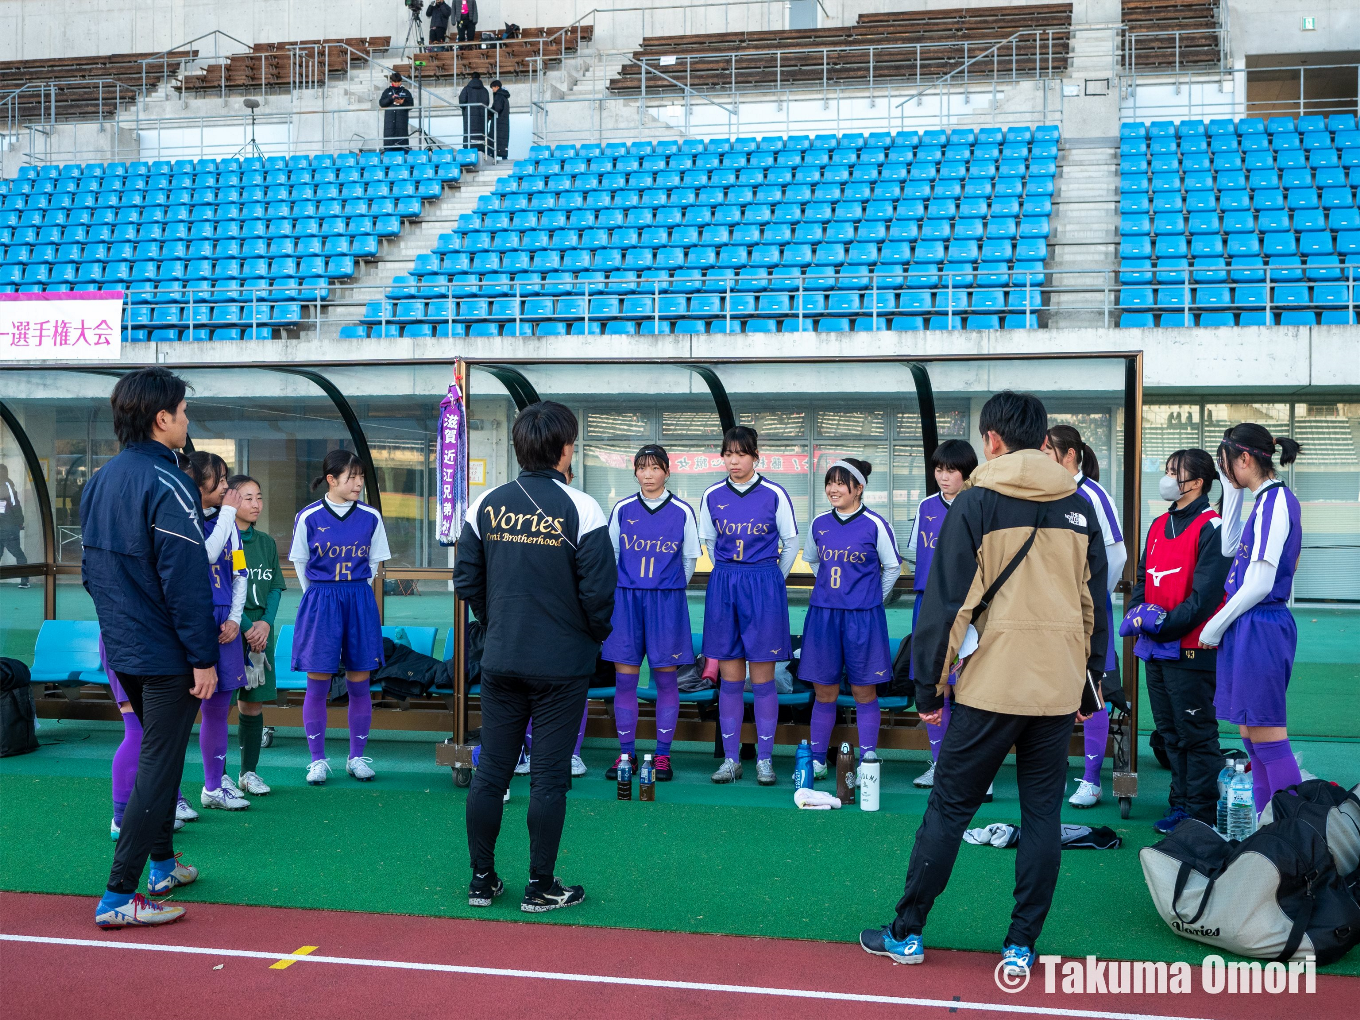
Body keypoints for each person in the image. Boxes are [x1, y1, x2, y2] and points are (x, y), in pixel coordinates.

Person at [861, 390, 1106, 975]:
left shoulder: (974, 503)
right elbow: (1091, 604)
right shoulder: (1079, 504)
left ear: (992, 440)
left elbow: (946, 606)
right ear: (1044, 439)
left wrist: (927, 689)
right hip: (1056, 687)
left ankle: (908, 932)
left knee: (948, 808)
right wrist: (1089, 684)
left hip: (991, 686)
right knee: (1042, 814)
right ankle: (1021, 944)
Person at [454, 401, 615, 912]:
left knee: (491, 771)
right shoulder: (584, 507)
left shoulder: (484, 505)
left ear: (519, 448)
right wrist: (587, 637)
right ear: (566, 448)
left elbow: (466, 582)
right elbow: (600, 596)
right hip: (562, 665)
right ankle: (541, 886)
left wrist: (497, 623)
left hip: (501, 657)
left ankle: (482, 880)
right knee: (548, 775)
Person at [82, 367, 219, 929]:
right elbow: (184, 577)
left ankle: (162, 864)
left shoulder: (100, 479)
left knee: (159, 756)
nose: (187, 420)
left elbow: (90, 571)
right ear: (163, 418)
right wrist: (202, 657)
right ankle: (119, 895)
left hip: (126, 646)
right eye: (183, 411)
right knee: (158, 765)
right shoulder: (168, 480)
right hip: (167, 654)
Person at [1122, 449, 1231, 833]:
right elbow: (1141, 580)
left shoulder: (1211, 526)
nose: (1166, 478)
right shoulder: (1157, 524)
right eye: (1167, 470)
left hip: (1190, 649)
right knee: (1170, 734)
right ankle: (1180, 805)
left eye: (1173, 472)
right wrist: (1139, 615)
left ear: (1197, 482)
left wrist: (1161, 624)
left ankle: (1200, 813)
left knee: (1195, 734)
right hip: (1155, 649)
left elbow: (1203, 599)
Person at [1199, 423, 1303, 814]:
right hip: (1250, 624)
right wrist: (1230, 488)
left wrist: (1215, 624)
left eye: (1226, 464)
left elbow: (1260, 582)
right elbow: (1228, 544)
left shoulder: (1276, 501)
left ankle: (1293, 837)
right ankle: (1266, 830)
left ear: (1245, 458)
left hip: (1261, 625)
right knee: (1251, 736)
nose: (1223, 471)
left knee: (1268, 735)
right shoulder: (1262, 499)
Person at [700, 425, 798, 787]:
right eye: (728, 453)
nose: (733, 460)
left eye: (741, 453)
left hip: (763, 584)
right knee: (729, 680)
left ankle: (765, 760)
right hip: (725, 583)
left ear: (756, 456)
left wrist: (770, 579)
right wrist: (732, 576)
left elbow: (789, 543)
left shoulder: (774, 493)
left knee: (763, 681)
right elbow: (709, 543)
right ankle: (730, 760)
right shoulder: (711, 494)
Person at [289, 449, 391, 786]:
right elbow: (301, 564)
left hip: (359, 597)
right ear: (331, 479)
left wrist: (351, 591)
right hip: (321, 599)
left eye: (361, 476)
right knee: (317, 684)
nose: (358, 483)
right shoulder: (309, 516)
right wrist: (321, 595)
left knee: (360, 681)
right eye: (352, 477)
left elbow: (375, 566)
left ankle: (357, 757)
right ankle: (317, 760)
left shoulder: (371, 517)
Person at [602, 444, 699, 783]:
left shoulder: (683, 511)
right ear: (635, 472)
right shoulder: (623, 508)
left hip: (666, 602)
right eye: (642, 467)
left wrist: (667, 588)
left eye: (655, 467)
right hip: (626, 602)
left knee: (665, 679)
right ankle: (625, 752)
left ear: (667, 472)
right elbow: (611, 555)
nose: (648, 474)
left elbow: (689, 561)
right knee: (625, 680)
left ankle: (662, 755)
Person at [1042, 424, 1126, 810]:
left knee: (1092, 692)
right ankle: (1050, 773)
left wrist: (1090, 601)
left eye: (1047, 450)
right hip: (1049, 613)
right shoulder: (1044, 491)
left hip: (1086, 614)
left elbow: (1118, 555)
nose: (1041, 457)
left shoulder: (1093, 493)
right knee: (1050, 690)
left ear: (1070, 454)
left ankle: (1092, 780)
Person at [801, 458, 901, 773]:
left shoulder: (875, 524)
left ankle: (868, 758)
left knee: (863, 689)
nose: (833, 489)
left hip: (863, 617)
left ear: (858, 489)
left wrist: (872, 597)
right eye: (830, 483)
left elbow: (893, 567)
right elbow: (813, 560)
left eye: (841, 483)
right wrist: (833, 591)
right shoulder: (819, 522)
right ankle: (817, 761)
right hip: (824, 616)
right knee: (824, 689)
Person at [904, 439, 978, 789]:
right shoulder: (926, 506)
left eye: (951, 470)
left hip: (968, 610)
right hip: (929, 607)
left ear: (968, 472)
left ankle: (969, 767)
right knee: (937, 685)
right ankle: (938, 763)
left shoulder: (979, 505)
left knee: (969, 686)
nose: (943, 477)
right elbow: (916, 555)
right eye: (939, 469)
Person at [187, 452, 251, 811]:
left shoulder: (230, 525)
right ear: (198, 482)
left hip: (224, 623)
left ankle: (214, 786)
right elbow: (207, 556)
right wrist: (228, 513)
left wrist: (235, 618)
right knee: (178, 714)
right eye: (220, 479)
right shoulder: (183, 519)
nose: (227, 487)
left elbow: (239, 571)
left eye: (226, 479)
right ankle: (172, 794)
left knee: (218, 709)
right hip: (191, 621)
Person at [101, 638, 195, 841]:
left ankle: (162, 806)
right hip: (127, 641)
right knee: (137, 731)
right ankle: (121, 819)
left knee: (157, 733)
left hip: (147, 642)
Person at [228, 474, 286, 796]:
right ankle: (217, 776)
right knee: (221, 704)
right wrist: (250, 626)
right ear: (232, 500)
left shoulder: (266, 542)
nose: (255, 504)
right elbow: (229, 589)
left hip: (261, 635)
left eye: (259, 498)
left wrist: (265, 624)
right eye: (248, 498)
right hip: (232, 630)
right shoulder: (226, 540)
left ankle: (248, 773)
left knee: (253, 705)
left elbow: (276, 586)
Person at [0, 463, 28, 588]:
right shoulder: (7, 485)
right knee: (18, 553)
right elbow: (15, 504)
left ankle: (24, 580)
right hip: (9, 526)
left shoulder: (6, 485)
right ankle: (24, 581)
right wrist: (20, 522)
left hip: (6, 525)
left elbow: (13, 503)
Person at [379, 73, 414, 151]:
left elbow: (411, 105)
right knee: (389, 147)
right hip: (389, 123)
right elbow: (381, 103)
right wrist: (391, 99)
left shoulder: (406, 92)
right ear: (392, 82)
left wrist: (402, 103)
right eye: (395, 82)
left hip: (401, 122)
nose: (397, 84)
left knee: (402, 144)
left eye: (398, 82)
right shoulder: (387, 91)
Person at [459, 72, 490, 151]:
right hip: (482, 117)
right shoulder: (485, 90)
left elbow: (462, 101)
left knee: (469, 134)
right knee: (482, 134)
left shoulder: (466, 89)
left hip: (469, 116)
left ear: (471, 78)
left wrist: (465, 110)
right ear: (480, 78)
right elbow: (487, 103)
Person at [489, 79, 510, 159]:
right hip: (503, 122)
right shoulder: (504, 96)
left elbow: (497, 108)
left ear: (497, 87)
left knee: (493, 138)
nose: (492, 90)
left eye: (493, 88)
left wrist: (489, 113)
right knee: (503, 140)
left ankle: (492, 157)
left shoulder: (499, 96)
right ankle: (504, 157)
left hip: (498, 122)